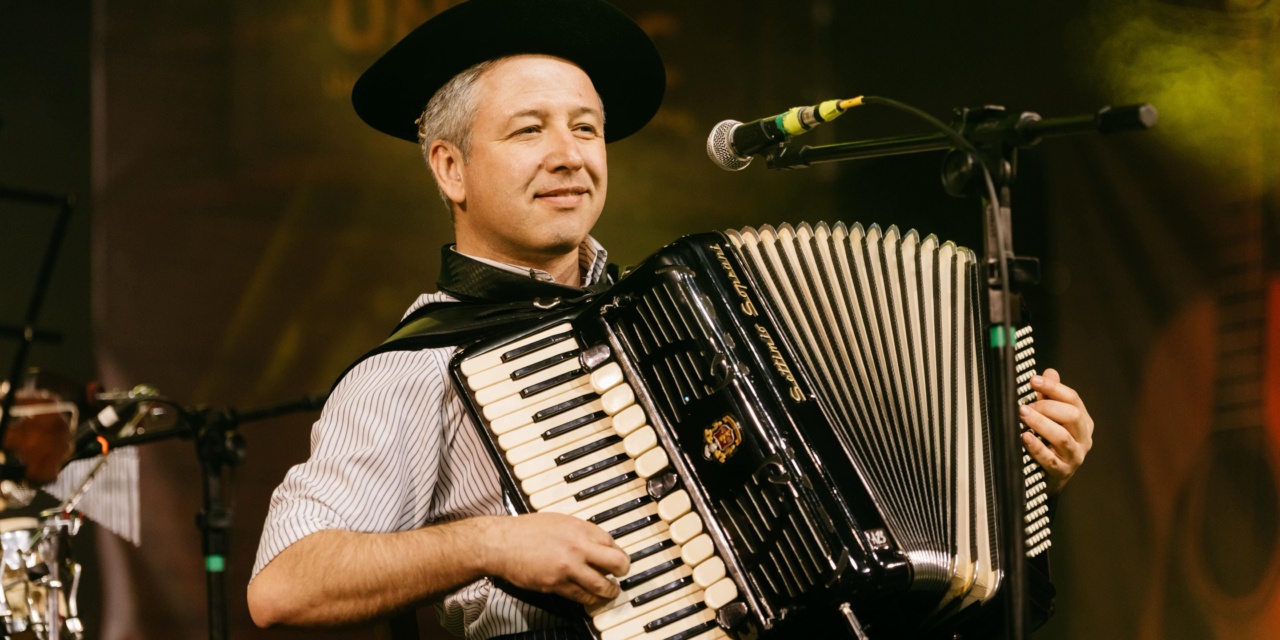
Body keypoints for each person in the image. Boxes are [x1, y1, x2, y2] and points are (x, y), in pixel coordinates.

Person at [247, 1, 1094, 638]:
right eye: (528, 131)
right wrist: (489, 545)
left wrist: (1014, 476)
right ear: (450, 168)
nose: (569, 155)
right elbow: (284, 583)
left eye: (587, 128)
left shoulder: (699, 318)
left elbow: (856, 512)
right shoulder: (412, 369)